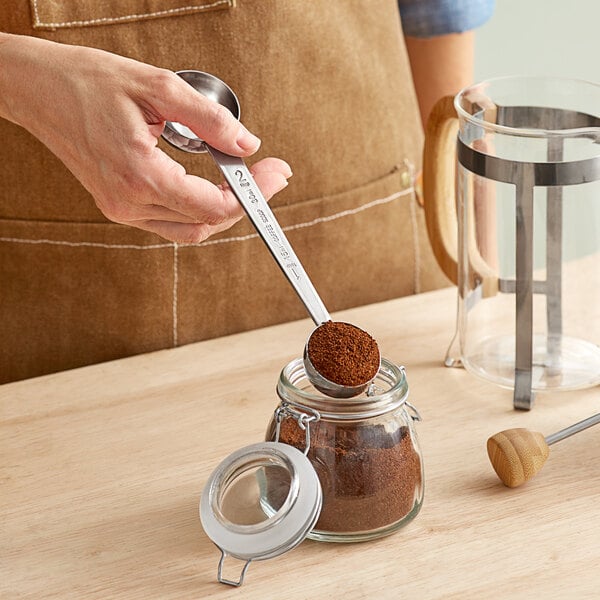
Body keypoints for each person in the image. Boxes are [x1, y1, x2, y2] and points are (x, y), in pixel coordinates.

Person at [0, 0, 494, 383]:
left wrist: (483, 288)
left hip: (373, 231)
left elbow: (440, 16)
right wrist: (22, 79)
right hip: (58, 326)